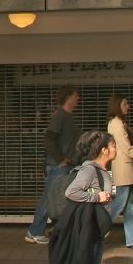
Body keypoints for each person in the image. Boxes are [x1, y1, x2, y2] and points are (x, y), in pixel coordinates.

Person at [47, 130, 117, 264]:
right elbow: (72, 192)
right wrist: (97, 197)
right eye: (113, 146)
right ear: (103, 150)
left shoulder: (100, 170)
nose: (115, 149)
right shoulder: (89, 170)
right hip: (84, 228)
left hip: (94, 229)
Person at [26, 87, 82, 244]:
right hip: (59, 167)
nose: (78, 98)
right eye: (76, 95)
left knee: (62, 199)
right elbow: (48, 139)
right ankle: (35, 231)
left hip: (67, 166)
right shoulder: (60, 116)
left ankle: (58, 230)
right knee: (49, 198)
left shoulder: (67, 117)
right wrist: (60, 159)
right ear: (68, 96)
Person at [104, 96, 133, 249]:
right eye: (125, 104)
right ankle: (98, 228)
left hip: (124, 168)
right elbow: (126, 147)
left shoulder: (116, 123)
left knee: (129, 205)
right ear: (117, 105)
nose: (128, 106)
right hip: (124, 168)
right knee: (120, 203)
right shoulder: (117, 124)